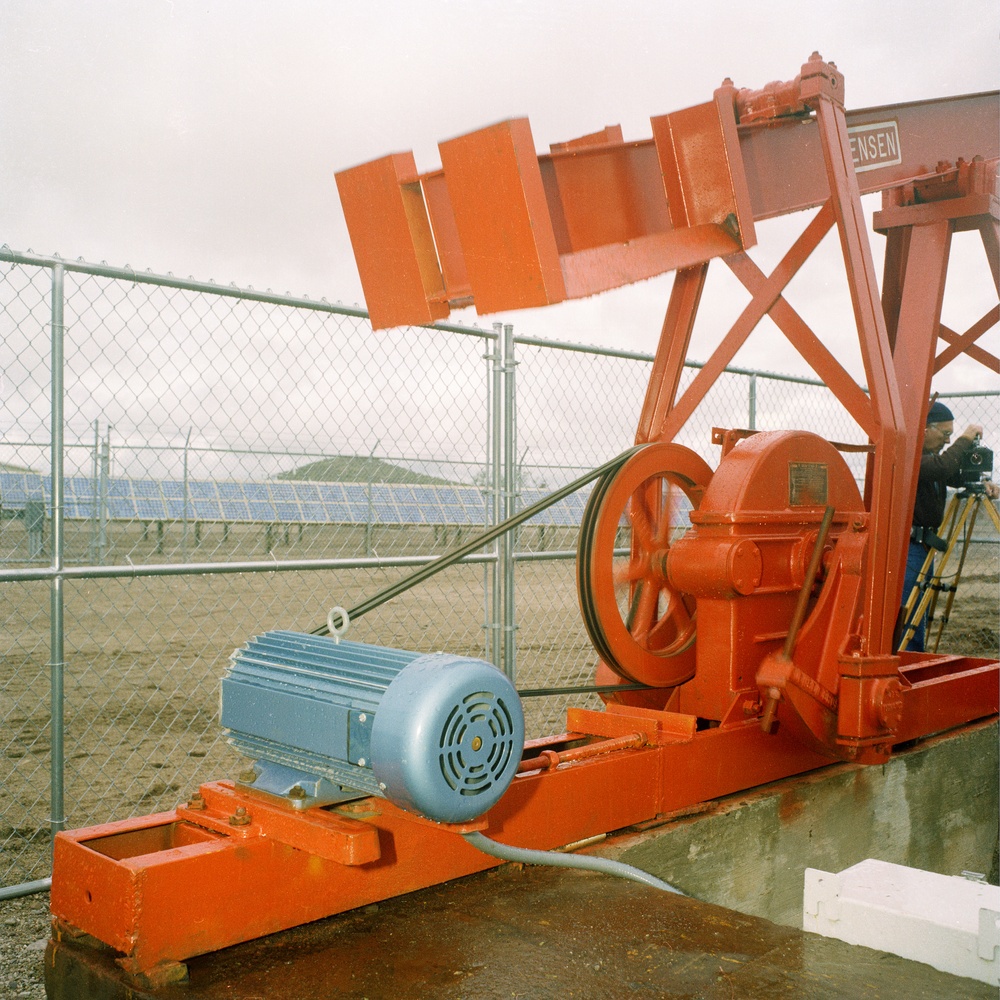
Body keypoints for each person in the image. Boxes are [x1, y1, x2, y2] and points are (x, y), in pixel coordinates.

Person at [899, 400, 999, 651]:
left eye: (951, 435)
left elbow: (952, 473)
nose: (947, 440)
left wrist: (982, 482)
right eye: (945, 434)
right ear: (925, 429)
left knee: (919, 611)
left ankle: (915, 657)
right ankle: (907, 660)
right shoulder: (909, 455)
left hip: (924, 546)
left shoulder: (930, 458)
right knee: (909, 613)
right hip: (909, 549)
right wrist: (965, 439)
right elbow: (942, 468)